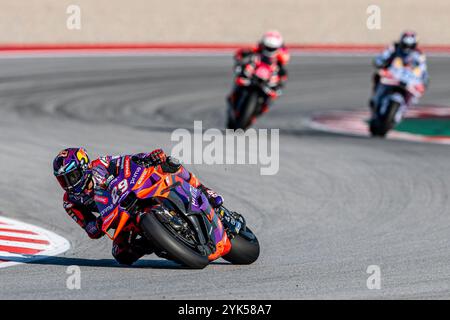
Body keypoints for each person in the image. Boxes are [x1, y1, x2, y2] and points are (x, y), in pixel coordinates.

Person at [53, 147, 238, 265]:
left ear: (84, 167)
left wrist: (148, 158)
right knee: (121, 255)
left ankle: (204, 190)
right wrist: (99, 223)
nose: (69, 184)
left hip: (134, 191)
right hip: (120, 217)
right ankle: (155, 241)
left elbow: (126, 160)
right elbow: (90, 229)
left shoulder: (100, 165)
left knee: (169, 163)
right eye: (63, 180)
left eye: (72, 176)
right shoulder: (70, 202)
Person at [228, 30, 290, 116]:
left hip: (267, 82)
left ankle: (260, 110)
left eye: (272, 48)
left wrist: (279, 85)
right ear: (263, 44)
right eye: (267, 47)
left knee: (273, 95)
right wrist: (240, 63)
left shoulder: (281, 56)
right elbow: (240, 54)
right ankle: (233, 98)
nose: (269, 50)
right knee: (239, 81)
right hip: (251, 76)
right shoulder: (256, 49)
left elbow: (283, 74)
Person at [370, 31, 429, 110]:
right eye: (405, 45)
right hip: (392, 74)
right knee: (378, 76)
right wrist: (380, 62)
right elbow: (382, 57)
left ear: (415, 45)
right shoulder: (393, 48)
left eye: (410, 46)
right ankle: (376, 97)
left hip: (408, 78)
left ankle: (406, 106)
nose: (407, 48)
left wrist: (423, 80)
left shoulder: (419, 55)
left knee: (419, 90)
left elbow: (423, 69)